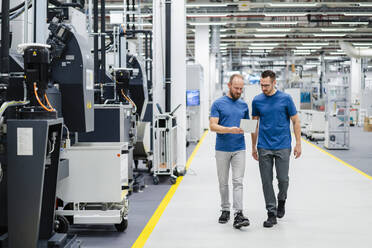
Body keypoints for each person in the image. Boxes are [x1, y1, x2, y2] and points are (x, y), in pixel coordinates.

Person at [251, 70, 302, 228]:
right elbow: (254, 125)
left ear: (274, 83)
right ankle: (271, 213)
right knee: (266, 181)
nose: (263, 88)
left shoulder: (285, 99)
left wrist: (298, 143)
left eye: (266, 85)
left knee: (283, 179)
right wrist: (253, 146)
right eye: (261, 85)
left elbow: (295, 121)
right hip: (264, 146)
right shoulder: (257, 100)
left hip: (283, 145)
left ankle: (282, 200)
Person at [209, 74, 250, 229]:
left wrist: (254, 126)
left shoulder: (244, 105)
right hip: (222, 149)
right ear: (229, 85)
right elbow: (213, 126)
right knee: (223, 182)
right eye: (236, 88)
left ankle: (238, 213)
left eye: (241, 88)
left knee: (238, 181)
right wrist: (228, 130)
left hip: (239, 148)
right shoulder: (218, 104)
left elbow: (247, 127)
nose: (239, 91)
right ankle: (225, 209)